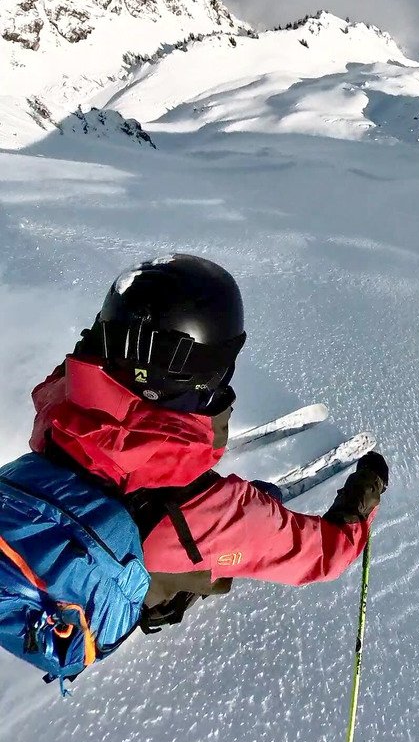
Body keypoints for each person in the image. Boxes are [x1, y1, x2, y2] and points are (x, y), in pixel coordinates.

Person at [29, 254, 388, 631]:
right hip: (120, 591)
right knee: (203, 558)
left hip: (41, 544)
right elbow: (327, 554)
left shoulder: (57, 410)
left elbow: (87, 376)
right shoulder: (213, 518)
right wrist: (365, 494)